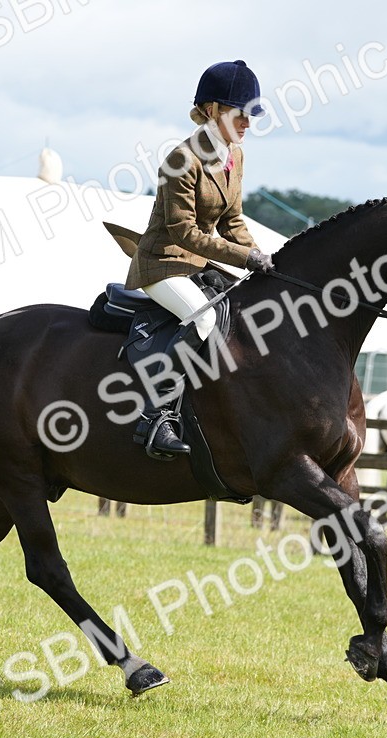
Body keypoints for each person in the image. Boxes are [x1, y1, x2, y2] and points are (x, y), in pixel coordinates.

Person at [124, 59, 275, 459]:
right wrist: (246, 258)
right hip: (161, 263)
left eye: (250, 115)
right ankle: (156, 416)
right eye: (241, 114)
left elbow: (232, 220)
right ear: (212, 110)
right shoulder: (181, 160)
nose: (247, 123)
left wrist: (264, 259)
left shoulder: (234, 156)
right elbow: (183, 233)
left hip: (197, 265)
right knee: (204, 317)